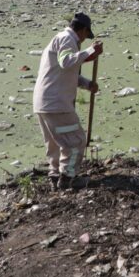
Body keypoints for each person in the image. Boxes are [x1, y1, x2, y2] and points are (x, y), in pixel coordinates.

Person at [32, 12, 102, 190]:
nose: (85, 39)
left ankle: (55, 176)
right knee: (76, 140)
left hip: (44, 102)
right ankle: (68, 178)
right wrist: (90, 51)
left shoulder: (62, 40)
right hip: (56, 104)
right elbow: (66, 62)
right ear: (83, 30)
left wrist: (88, 84)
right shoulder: (67, 39)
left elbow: (67, 74)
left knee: (55, 143)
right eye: (86, 35)